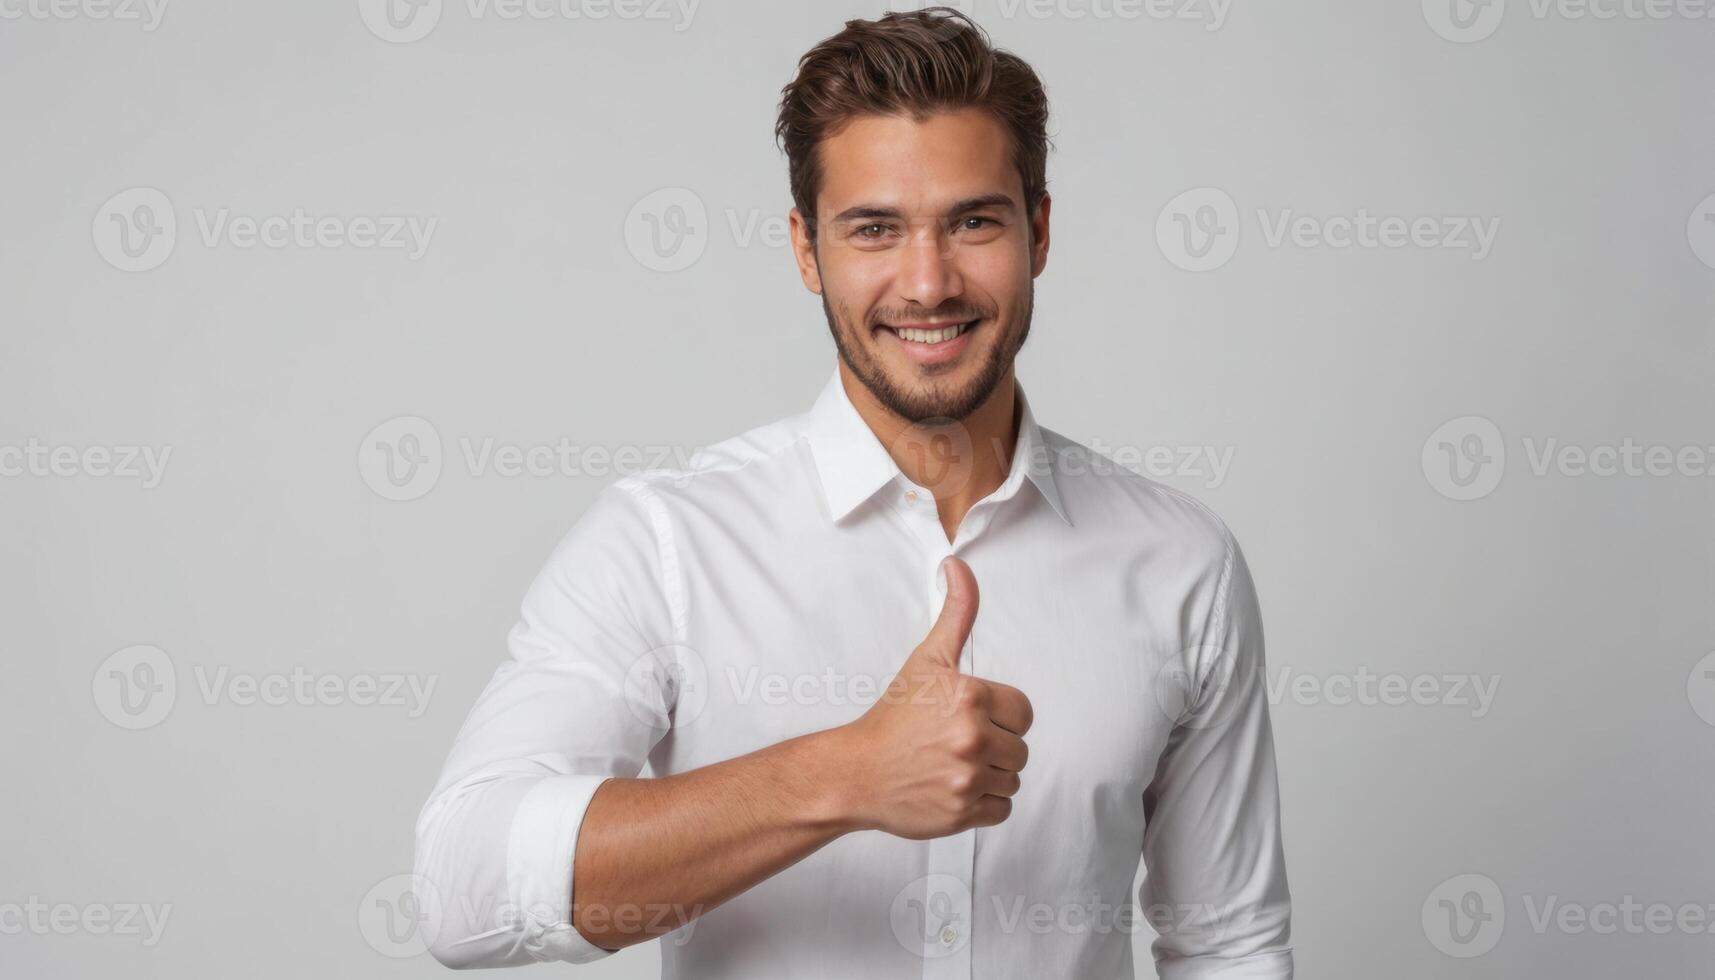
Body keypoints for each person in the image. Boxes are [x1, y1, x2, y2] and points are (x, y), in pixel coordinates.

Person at [414, 8, 1292, 978]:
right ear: (805, 250)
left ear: (1038, 231)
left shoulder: (1178, 559)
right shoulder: (668, 542)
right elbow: (463, 887)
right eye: (874, 228)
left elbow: (1226, 942)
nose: (926, 283)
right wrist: (844, 772)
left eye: (972, 221)